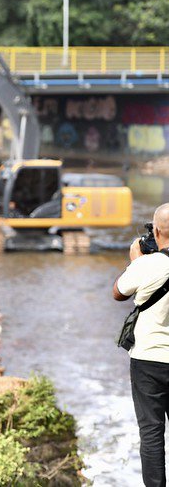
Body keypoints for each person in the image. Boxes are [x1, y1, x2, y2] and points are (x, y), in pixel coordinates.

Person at [113, 204, 169, 487]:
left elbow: (118, 292)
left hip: (148, 361)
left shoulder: (147, 265)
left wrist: (136, 261)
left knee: (151, 433)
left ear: (157, 232)